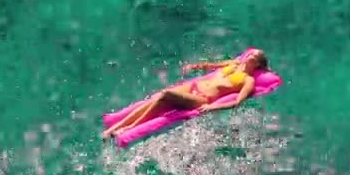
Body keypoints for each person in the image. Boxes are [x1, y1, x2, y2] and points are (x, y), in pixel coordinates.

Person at [101, 49, 269, 139]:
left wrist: (212, 107)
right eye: (250, 54)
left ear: (258, 65)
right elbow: (212, 66)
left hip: (202, 98)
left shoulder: (248, 81)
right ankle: (114, 129)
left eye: (254, 57)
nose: (249, 57)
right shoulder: (234, 63)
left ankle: (129, 128)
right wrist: (195, 67)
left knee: (165, 95)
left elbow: (238, 102)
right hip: (194, 86)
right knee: (157, 98)